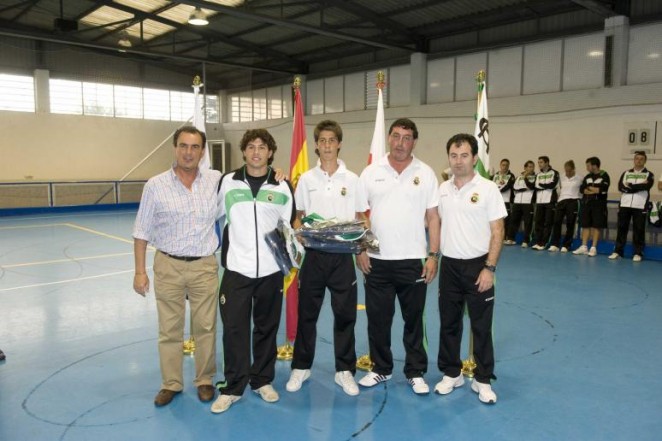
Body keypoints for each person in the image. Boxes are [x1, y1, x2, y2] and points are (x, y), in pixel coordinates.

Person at [133, 126, 221, 407]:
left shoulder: (216, 181)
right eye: (183, 146)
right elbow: (141, 231)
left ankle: (204, 379)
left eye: (195, 147)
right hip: (168, 265)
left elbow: (249, 180)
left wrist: (276, 173)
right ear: (175, 148)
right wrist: (139, 272)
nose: (188, 152)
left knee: (205, 326)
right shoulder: (155, 185)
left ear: (202, 152)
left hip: (204, 266)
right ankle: (171, 383)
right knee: (169, 329)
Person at [211, 128, 296, 414]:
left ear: (270, 152)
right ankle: (233, 387)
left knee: (266, 328)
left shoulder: (282, 186)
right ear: (244, 152)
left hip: (271, 272)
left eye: (262, 147)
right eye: (251, 147)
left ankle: (262, 380)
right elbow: (210, 214)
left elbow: (288, 228)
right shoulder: (228, 182)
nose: (256, 152)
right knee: (234, 329)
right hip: (237, 270)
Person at [355, 118, 441, 395]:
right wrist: (361, 248)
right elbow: (359, 214)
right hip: (377, 261)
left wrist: (433, 255)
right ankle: (381, 368)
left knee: (413, 320)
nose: (400, 143)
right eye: (396, 136)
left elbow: (433, 217)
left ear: (414, 142)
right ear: (389, 138)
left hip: (413, 260)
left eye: (406, 138)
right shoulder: (371, 172)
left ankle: (415, 372)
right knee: (378, 320)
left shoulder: (426, 173)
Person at [285, 120, 360, 396]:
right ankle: (301, 367)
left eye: (332, 140)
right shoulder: (306, 179)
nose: (327, 145)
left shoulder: (353, 180)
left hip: (343, 259)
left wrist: (362, 247)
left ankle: (344, 371)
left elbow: (361, 216)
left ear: (339, 144)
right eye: (322, 141)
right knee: (307, 315)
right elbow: (297, 216)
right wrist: (300, 233)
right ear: (316, 145)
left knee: (345, 316)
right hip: (314, 258)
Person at [434, 133, 507, 404]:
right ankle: (451, 373)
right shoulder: (442, 189)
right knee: (449, 324)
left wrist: (490, 268)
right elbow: (435, 222)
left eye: (464, 155)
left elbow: (498, 230)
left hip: (479, 266)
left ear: (474, 158)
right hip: (449, 266)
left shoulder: (488, 189)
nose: (458, 161)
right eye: (453, 156)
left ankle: (482, 379)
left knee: (481, 326)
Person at [609, 151, 655, 261]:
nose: (639, 161)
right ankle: (618, 251)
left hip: (640, 206)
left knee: (639, 230)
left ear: (645, 161)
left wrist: (630, 186)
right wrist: (637, 187)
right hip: (625, 205)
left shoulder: (649, 174)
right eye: (637, 158)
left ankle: (638, 253)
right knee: (621, 228)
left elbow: (646, 186)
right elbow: (620, 187)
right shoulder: (626, 173)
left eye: (641, 159)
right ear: (634, 160)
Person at [573, 157, 610, 257]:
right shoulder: (587, 176)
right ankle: (584, 246)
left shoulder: (604, 175)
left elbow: (602, 190)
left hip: (598, 204)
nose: (587, 168)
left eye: (588, 165)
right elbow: (582, 189)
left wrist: (589, 188)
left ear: (594, 166)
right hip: (586, 203)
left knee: (596, 225)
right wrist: (592, 190)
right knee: (585, 225)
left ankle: (593, 248)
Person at [549, 160, 582, 252]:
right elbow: (559, 189)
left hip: (573, 200)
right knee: (557, 222)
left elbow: (583, 190)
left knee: (570, 223)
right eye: (566, 171)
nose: (568, 173)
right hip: (561, 200)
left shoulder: (580, 178)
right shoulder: (561, 177)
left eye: (569, 171)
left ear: (573, 169)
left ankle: (566, 245)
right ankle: (555, 244)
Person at [531, 156, 559, 250]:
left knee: (548, 223)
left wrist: (542, 185)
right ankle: (538, 242)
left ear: (547, 163)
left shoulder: (554, 173)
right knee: (538, 222)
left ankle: (544, 243)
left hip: (550, 201)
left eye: (541, 162)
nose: (539, 164)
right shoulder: (538, 175)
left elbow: (553, 185)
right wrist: (546, 186)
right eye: (538, 162)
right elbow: (536, 186)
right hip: (539, 201)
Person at [505, 160, 536, 246]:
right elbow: (515, 187)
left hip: (528, 202)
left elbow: (531, 187)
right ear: (525, 168)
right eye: (529, 166)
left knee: (528, 222)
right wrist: (524, 189)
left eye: (532, 167)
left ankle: (526, 240)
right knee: (514, 220)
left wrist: (526, 178)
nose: (531, 168)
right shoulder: (518, 177)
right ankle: (511, 239)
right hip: (517, 202)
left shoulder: (535, 177)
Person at [492, 158, 515, 242]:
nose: (504, 167)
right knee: (495, 219)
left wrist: (497, 190)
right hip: (495, 201)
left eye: (506, 165)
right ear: (500, 165)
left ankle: (505, 237)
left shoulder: (511, 176)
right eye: (503, 165)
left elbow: (508, 186)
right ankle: (495, 236)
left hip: (506, 201)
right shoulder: (495, 175)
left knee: (506, 220)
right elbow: (491, 185)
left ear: (508, 166)